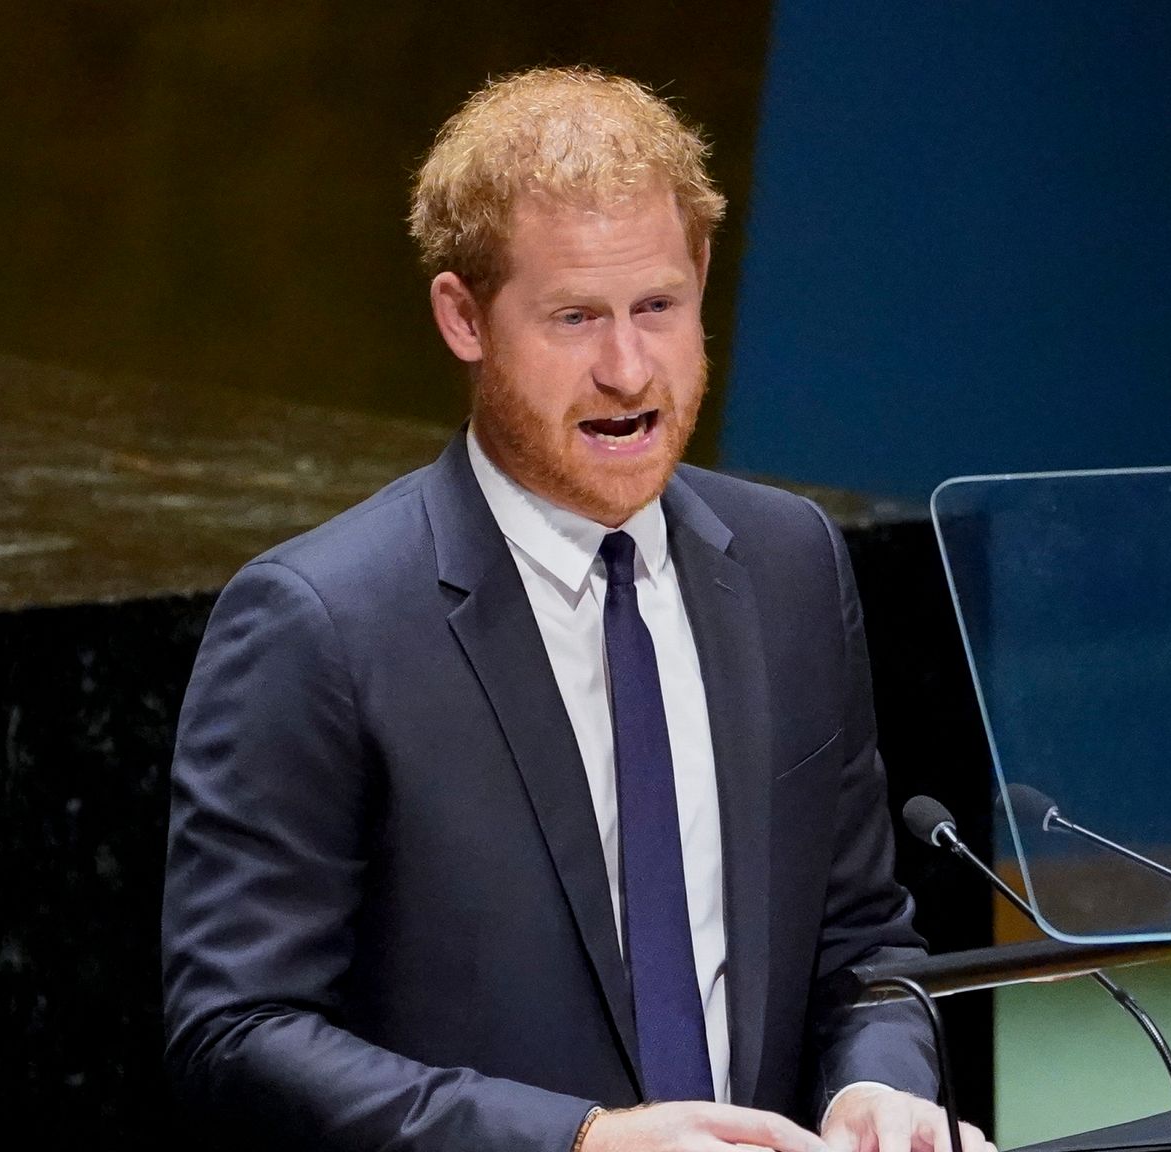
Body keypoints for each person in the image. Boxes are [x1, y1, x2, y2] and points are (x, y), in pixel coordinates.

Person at [162, 66, 994, 1152]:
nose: (625, 368)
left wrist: (874, 1089)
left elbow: (859, 943)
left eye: (657, 306)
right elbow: (236, 1033)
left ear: (701, 275)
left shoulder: (789, 565)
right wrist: (579, 1142)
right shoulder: (321, 623)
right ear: (463, 317)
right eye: (572, 317)